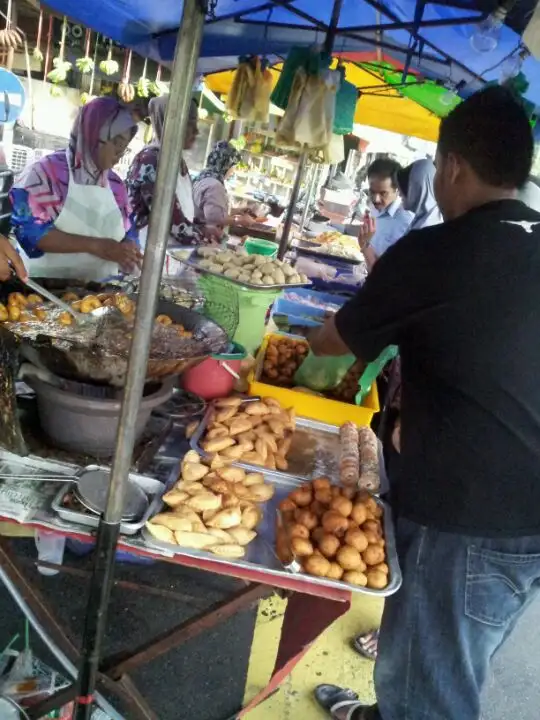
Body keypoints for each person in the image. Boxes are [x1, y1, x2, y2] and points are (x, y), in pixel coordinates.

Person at [310, 85, 540, 720]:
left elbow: (333, 342)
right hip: (525, 510)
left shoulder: (436, 251)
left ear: (453, 167)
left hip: (468, 516)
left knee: (434, 686)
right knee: (457, 651)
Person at [10, 97, 141, 281]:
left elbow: (129, 231)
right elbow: (29, 233)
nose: (120, 152)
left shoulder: (116, 185)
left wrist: (129, 250)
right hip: (42, 290)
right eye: (116, 143)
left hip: (99, 296)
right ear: (93, 134)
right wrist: (97, 246)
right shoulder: (47, 173)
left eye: (125, 147)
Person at [127, 96, 216, 248]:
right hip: (145, 254)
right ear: (172, 125)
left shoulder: (177, 161)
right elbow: (170, 220)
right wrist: (204, 242)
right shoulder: (151, 161)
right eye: (190, 124)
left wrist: (204, 229)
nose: (196, 131)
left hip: (171, 254)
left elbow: (184, 210)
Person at [359, 158, 413, 271]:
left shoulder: (406, 222)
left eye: (383, 193)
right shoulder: (375, 210)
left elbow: (388, 272)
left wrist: (365, 245)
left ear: (397, 189)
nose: (376, 199)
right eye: (372, 192)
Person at [192, 140, 254, 230]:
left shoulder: (204, 176)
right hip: (203, 237)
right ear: (225, 165)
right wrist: (239, 220)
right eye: (233, 167)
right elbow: (214, 217)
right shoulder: (214, 186)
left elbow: (209, 209)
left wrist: (235, 211)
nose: (233, 171)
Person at [396, 157, 443, 229]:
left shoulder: (427, 228)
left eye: (404, 187)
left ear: (417, 188)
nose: (399, 194)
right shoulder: (427, 219)